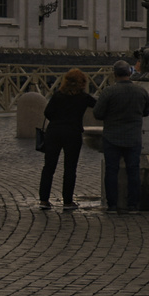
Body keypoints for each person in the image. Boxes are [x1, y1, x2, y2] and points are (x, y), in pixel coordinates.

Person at [93, 61, 149, 213]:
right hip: (133, 137)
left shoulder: (108, 92)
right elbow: (146, 112)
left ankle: (112, 205)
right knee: (133, 171)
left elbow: (97, 114)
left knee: (111, 171)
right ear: (129, 73)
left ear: (115, 74)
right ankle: (133, 205)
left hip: (112, 136)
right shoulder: (141, 91)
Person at [40, 68, 97, 209]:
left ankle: (44, 200)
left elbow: (47, 112)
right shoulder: (83, 98)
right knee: (70, 168)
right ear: (82, 83)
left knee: (49, 167)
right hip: (72, 133)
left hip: (54, 132)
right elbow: (98, 106)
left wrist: (58, 120)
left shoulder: (58, 95)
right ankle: (67, 201)